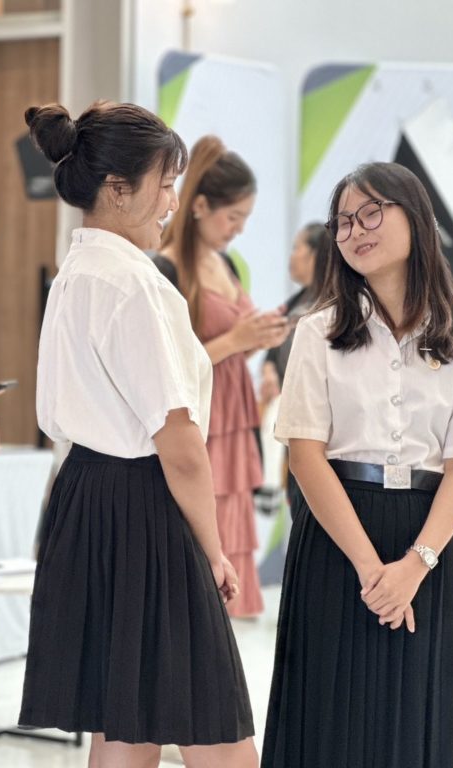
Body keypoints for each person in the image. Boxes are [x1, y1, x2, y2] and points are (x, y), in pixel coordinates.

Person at [19, 102, 257, 768]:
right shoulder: (133, 284)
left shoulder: (75, 275)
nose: (173, 202)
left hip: (86, 498)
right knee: (216, 731)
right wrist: (213, 551)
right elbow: (178, 445)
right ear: (118, 189)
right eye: (165, 183)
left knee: (123, 721)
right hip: (145, 507)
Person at [262, 162, 453, 767]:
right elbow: (305, 456)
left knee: (416, 717)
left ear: (415, 219)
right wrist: (373, 571)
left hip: (426, 541)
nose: (355, 230)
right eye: (344, 221)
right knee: (329, 718)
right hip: (336, 536)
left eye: (371, 212)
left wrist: (414, 567)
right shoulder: (317, 333)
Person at [154, 135, 289, 618]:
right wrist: (236, 340)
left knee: (230, 537)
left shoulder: (225, 263)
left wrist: (259, 339)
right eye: (232, 217)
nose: (238, 229)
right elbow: (169, 366)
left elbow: (231, 344)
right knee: (196, 538)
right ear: (201, 207)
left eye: (244, 219)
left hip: (234, 421)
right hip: (198, 422)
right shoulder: (167, 267)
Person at [259, 221, 330, 516]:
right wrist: (269, 369)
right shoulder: (297, 301)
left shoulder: (332, 304)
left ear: (315, 255)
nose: (291, 256)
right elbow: (274, 348)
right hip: (291, 422)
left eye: (296, 248)